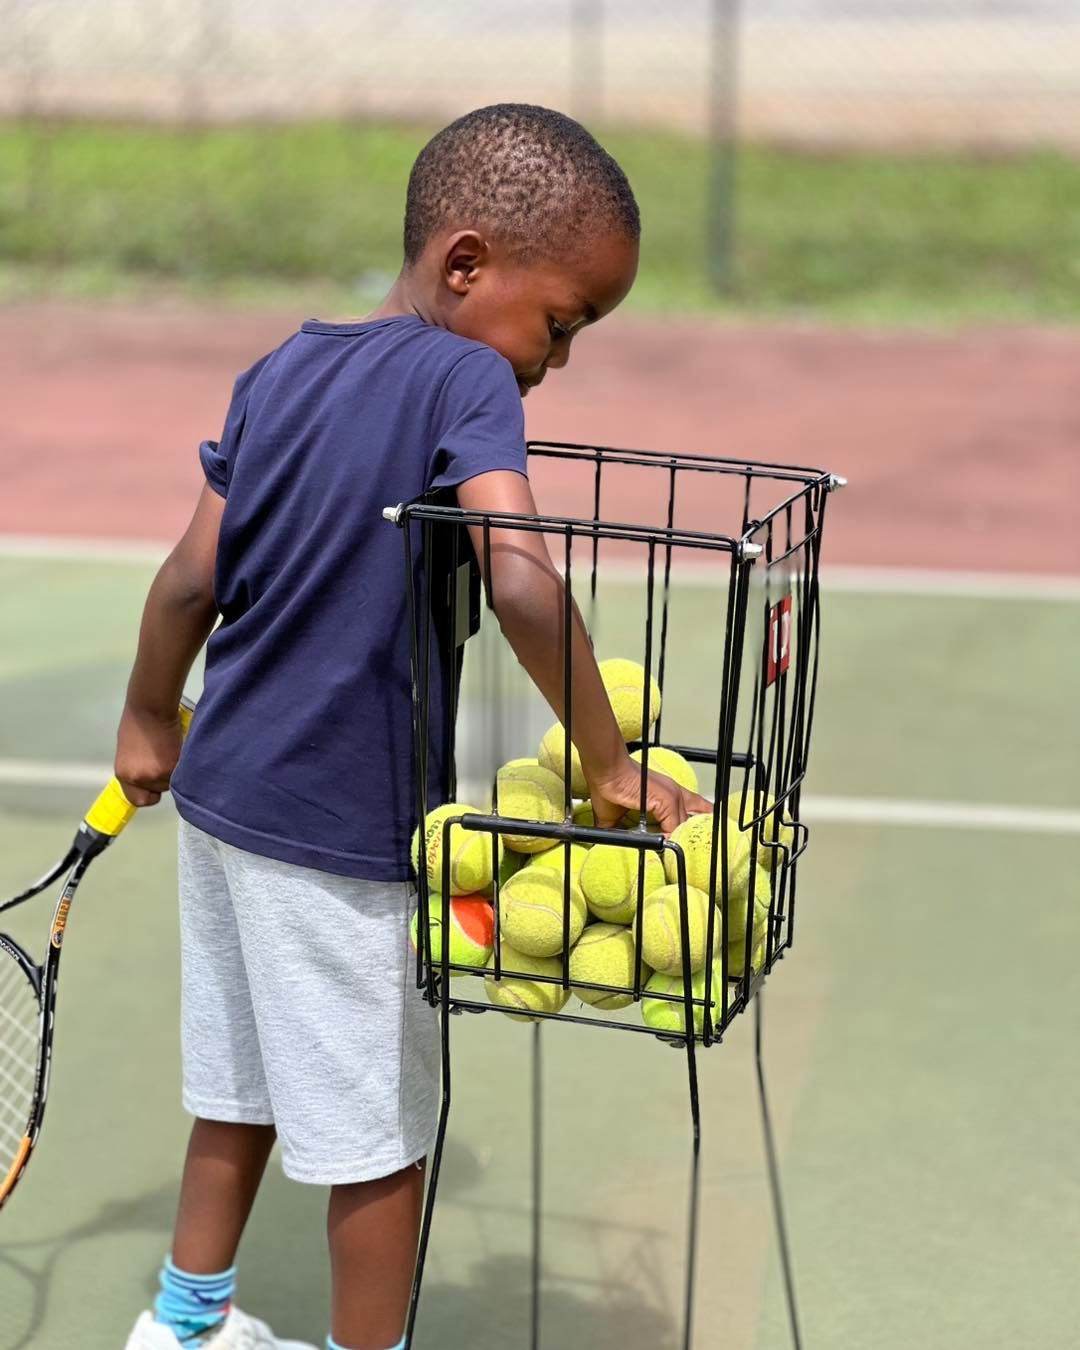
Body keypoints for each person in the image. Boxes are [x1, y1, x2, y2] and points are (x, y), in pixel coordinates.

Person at [115, 103, 709, 1350]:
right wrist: (610, 764)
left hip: (224, 798)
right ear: (466, 266)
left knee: (241, 1091)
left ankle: (181, 1327)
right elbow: (521, 577)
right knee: (383, 1137)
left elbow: (185, 578)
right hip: (339, 825)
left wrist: (145, 720)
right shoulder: (465, 373)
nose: (557, 359)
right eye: (563, 323)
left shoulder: (279, 364)